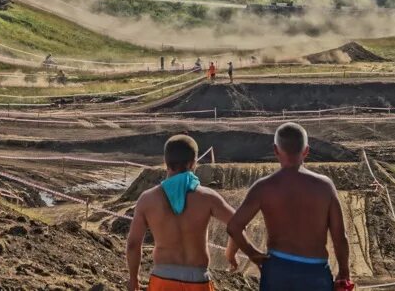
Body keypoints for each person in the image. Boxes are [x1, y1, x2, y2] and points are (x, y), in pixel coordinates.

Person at [227, 123, 351, 291]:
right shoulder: (324, 186)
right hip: (315, 273)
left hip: (277, 271)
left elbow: (234, 226)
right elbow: (339, 236)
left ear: (276, 150)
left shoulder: (263, 187)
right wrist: (344, 271)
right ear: (306, 151)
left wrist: (254, 254)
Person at [125, 135, 247, 291]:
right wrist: (230, 254)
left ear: (166, 161)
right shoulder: (208, 197)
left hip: (162, 278)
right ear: (193, 163)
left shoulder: (147, 199)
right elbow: (239, 225)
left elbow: (133, 244)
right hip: (197, 279)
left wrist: (133, 279)